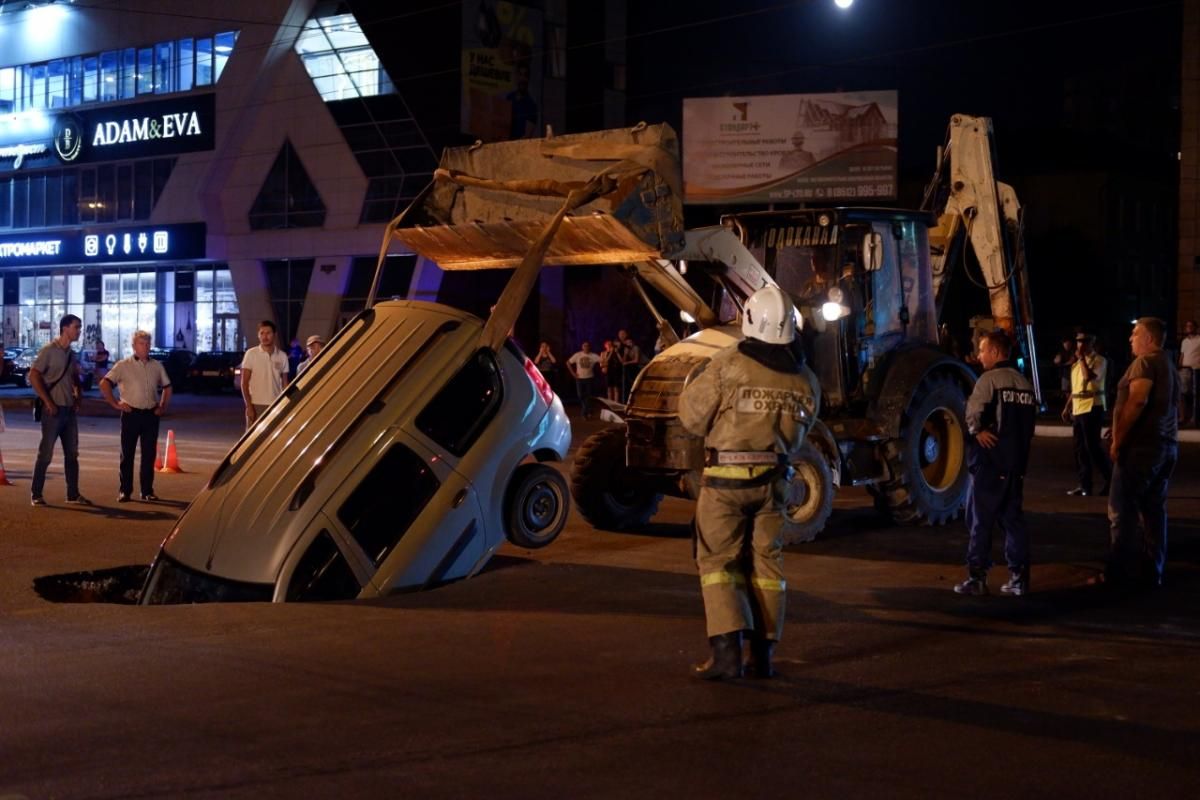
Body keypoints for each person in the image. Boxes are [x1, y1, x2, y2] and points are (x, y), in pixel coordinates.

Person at [678, 286, 819, 681]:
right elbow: (805, 429)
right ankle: (763, 656)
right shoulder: (805, 377)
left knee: (719, 564)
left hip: (725, 484)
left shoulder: (728, 364)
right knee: (767, 564)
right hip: (775, 483)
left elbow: (691, 416)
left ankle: (726, 657)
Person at [953, 330, 1038, 596]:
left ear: (996, 352)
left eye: (982, 350)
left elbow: (973, 414)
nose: (979, 355)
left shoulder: (988, 380)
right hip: (1015, 465)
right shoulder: (1023, 383)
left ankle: (977, 578)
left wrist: (977, 432)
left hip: (989, 465)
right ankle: (1019, 578)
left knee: (980, 520)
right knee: (1013, 519)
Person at [1105, 317, 1179, 590]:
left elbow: (1138, 400)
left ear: (1149, 339)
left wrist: (1118, 439)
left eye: (1135, 334)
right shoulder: (1169, 364)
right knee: (1154, 512)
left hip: (1141, 449)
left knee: (1121, 512)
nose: (1130, 339)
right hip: (1166, 446)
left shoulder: (1145, 362)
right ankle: (1152, 572)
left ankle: (1118, 575)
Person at [99, 330, 172, 502]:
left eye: (147, 343)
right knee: (127, 454)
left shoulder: (157, 365)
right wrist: (115, 404)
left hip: (150, 414)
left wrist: (163, 406)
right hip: (131, 413)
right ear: (133, 346)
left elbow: (168, 387)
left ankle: (147, 490)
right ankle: (125, 490)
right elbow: (105, 384)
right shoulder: (123, 365)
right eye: (141, 343)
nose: (145, 347)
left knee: (149, 455)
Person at [29, 314, 88, 506]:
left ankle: (73, 494)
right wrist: (48, 402)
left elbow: (74, 376)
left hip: (69, 410)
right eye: (76, 327)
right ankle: (36, 494)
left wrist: (78, 396)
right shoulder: (49, 351)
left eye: (80, 327)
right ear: (65, 328)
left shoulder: (71, 353)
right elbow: (34, 375)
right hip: (53, 411)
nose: (79, 331)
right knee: (45, 454)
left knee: (72, 454)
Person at [1062, 332, 1111, 496]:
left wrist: (1081, 359)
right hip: (1078, 408)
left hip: (1092, 407)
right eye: (1078, 341)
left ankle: (1110, 480)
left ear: (1092, 343)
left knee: (1093, 447)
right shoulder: (1076, 365)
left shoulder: (1099, 361)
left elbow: (1088, 377)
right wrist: (1067, 407)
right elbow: (1075, 389)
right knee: (1079, 449)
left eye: (1084, 341)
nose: (1080, 345)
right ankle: (1084, 485)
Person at [240, 320, 289, 429]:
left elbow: (285, 383)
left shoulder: (282, 356)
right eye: (262, 333)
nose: (265, 336)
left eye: (268, 333)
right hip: (255, 404)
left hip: (276, 405)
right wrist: (249, 406)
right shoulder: (251, 354)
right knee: (252, 441)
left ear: (274, 335)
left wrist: (285, 404)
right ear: (258, 335)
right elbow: (244, 383)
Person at [566, 341, 602, 419]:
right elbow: (568, 363)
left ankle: (585, 412)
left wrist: (604, 363)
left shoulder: (593, 355)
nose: (586, 347)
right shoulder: (578, 355)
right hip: (579, 378)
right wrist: (573, 374)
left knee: (588, 396)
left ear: (589, 347)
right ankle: (588, 410)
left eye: (587, 346)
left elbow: (602, 361)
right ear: (582, 347)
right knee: (580, 395)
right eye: (584, 346)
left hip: (589, 378)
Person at [1178, 319, 1199, 427]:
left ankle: (1194, 419)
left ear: (1196, 327)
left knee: (1195, 395)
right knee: (1182, 393)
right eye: (1187, 326)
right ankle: (1182, 417)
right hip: (1184, 369)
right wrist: (1179, 366)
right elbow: (1182, 355)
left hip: (1196, 370)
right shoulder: (1184, 341)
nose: (1189, 328)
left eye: (1191, 326)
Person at [617, 330, 642, 402]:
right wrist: (619, 353)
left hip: (642, 366)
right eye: (627, 343)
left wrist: (627, 363)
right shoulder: (626, 349)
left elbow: (636, 360)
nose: (628, 344)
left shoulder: (636, 348)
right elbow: (623, 361)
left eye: (630, 342)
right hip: (634, 367)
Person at [1052, 336, 1076, 406]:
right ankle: (1069, 409)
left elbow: (1072, 361)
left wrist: (1062, 364)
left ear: (1071, 343)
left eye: (1068, 343)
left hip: (1073, 376)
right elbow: (1056, 361)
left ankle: (1072, 409)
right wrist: (1059, 361)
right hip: (1065, 376)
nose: (1066, 345)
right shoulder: (1061, 352)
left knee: (1073, 393)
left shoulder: (1074, 351)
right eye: (1065, 343)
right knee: (1066, 393)